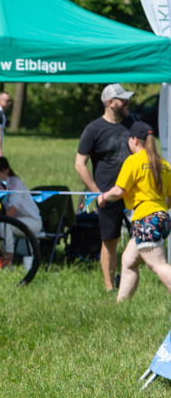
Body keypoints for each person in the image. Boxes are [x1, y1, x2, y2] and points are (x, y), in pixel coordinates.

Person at [98, 122, 171, 303]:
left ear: (133, 140)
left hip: (145, 219)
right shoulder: (163, 164)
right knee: (129, 261)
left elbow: (118, 191)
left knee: (158, 265)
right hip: (161, 217)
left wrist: (103, 197)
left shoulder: (133, 161)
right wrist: (158, 210)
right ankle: (121, 305)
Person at [75, 83, 134, 292]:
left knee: (142, 238)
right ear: (110, 103)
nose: (127, 102)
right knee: (110, 241)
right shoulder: (93, 129)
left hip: (134, 194)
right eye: (122, 99)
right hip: (108, 195)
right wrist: (96, 192)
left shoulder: (131, 122)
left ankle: (128, 277)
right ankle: (110, 288)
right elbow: (79, 164)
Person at [0, 156, 43, 266]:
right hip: (14, 220)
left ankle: (8, 262)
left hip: (33, 221)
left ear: (6, 171)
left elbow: (10, 214)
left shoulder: (16, 184)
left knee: (6, 224)